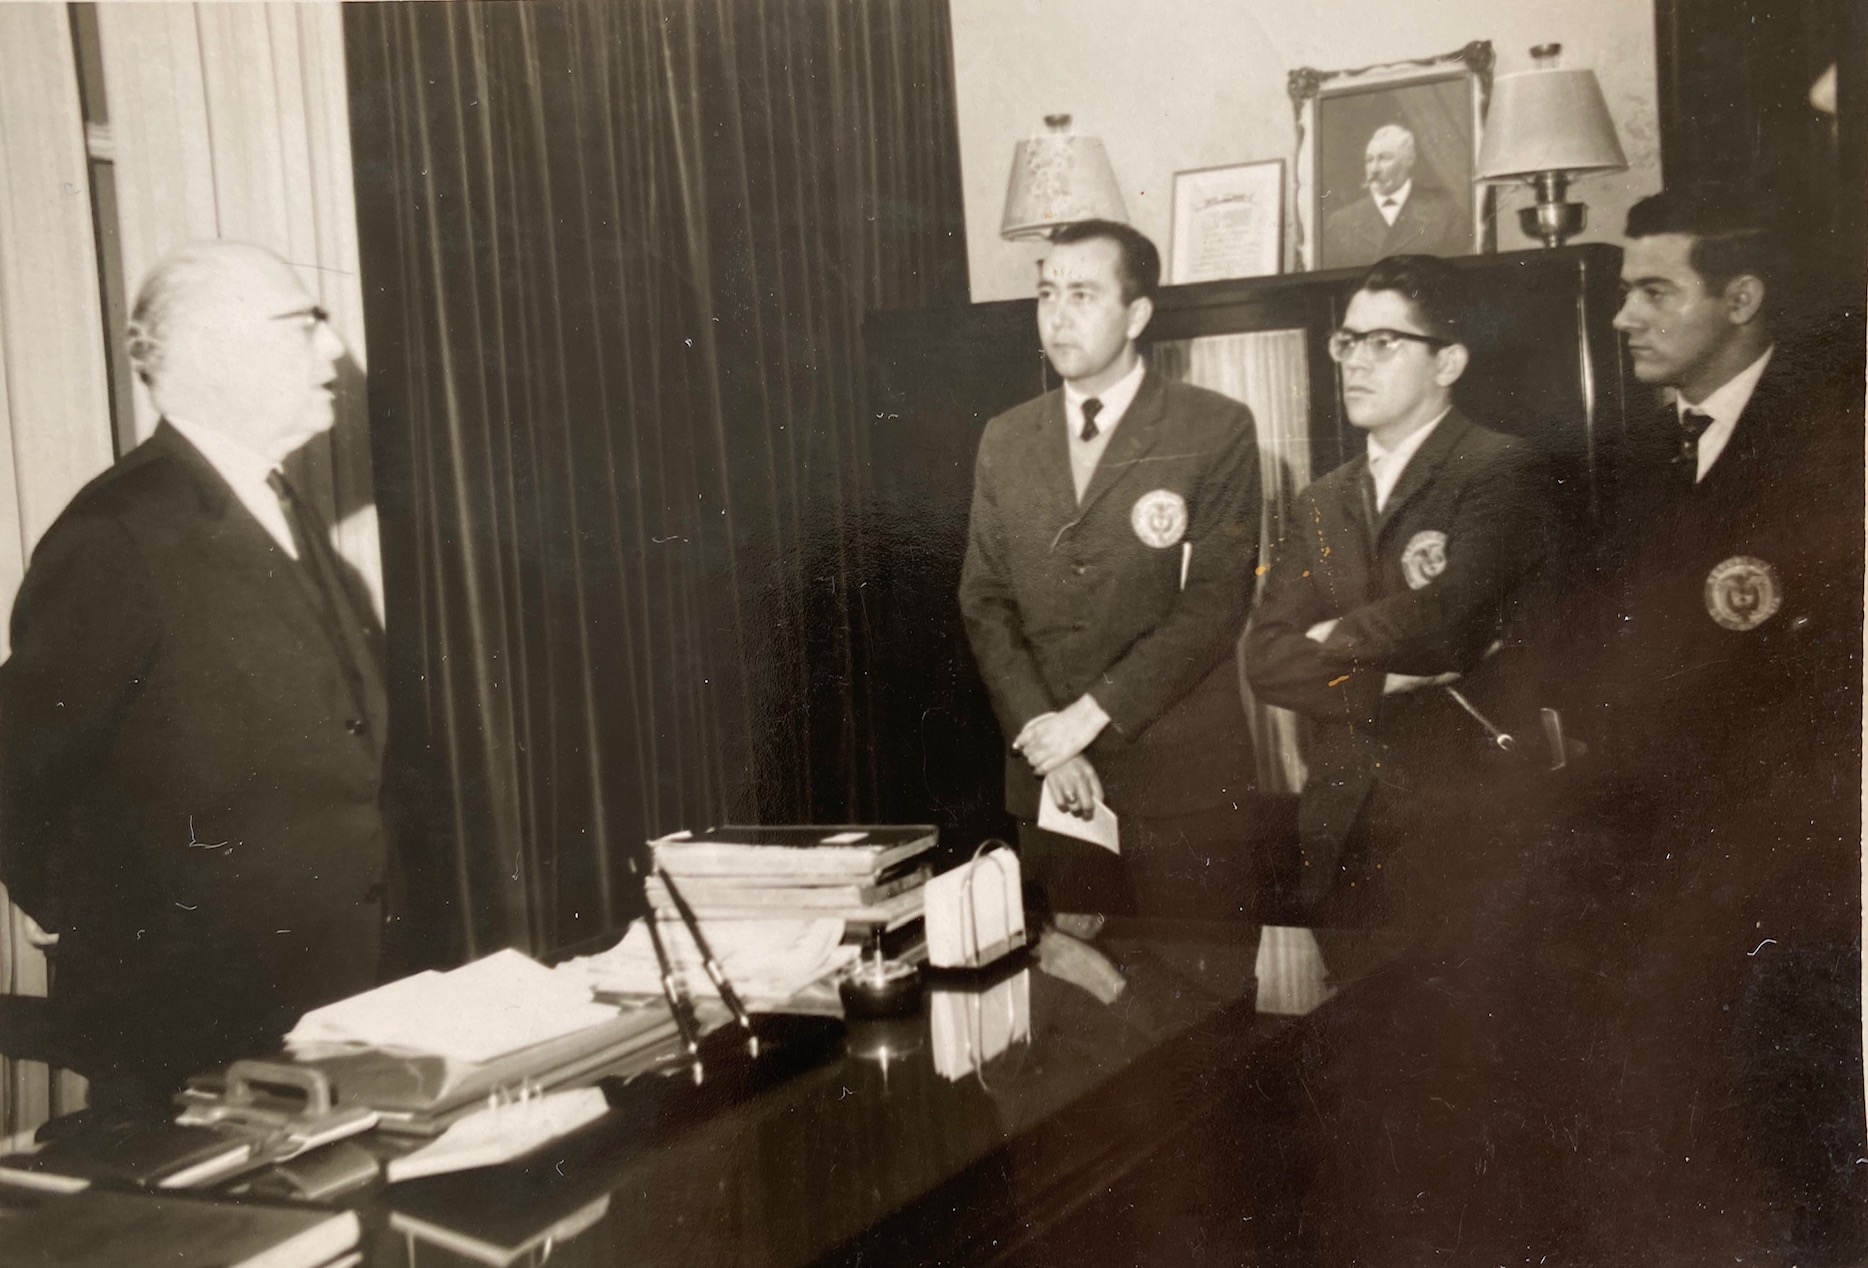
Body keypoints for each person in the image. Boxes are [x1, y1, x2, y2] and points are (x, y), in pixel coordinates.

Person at [0, 241, 393, 1109]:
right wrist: (95, 927)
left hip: (320, 1010)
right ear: (218, 350)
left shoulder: (274, 501)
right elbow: (16, 766)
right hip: (193, 1038)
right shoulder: (119, 530)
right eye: (306, 323)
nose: (335, 348)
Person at [1559, 186, 1865, 1262]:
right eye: (1623, 290)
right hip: (1652, 868)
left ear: (1740, 299)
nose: (1623, 316)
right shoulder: (1639, 450)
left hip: (1789, 885)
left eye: (1654, 290)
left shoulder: (1831, 445)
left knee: (1793, 1158)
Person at [957, 219, 1271, 924]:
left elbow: (1216, 605)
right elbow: (985, 601)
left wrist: (1084, 720)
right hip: (1052, 784)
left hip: (1184, 788)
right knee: (1068, 984)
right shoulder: (1006, 438)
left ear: (1137, 315)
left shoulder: (1214, 428)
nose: (1058, 316)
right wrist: (1047, 735)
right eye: (1047, 294)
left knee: (1201, 980)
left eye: (1083, 295)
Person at [1245, 254, 1551, 933]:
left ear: (1448, 362)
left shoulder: (1500, 467)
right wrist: (1380, 681)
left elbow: (1450, 620)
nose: (1356, 361)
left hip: (1466, 822)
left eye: (1384, 342)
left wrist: (1331, 637)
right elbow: (1264, 658)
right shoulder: (1322, 501)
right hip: (1339, 828)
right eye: (1349, 341)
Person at [1321, 125, 1468, 268]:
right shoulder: (1341, 223)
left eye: (1384, 158)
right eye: (1369, 160)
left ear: (1409, 160)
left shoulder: (1444, 212)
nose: (1374, 169)